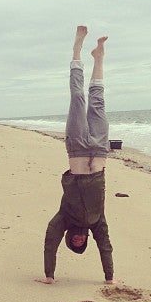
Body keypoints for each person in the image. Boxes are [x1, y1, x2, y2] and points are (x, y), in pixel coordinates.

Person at [36, 26, 116, 285]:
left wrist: (49, 275)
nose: (80, 240)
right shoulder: (97, 222)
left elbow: (50, 241)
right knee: (98, 101)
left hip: (78, 148)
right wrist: (109, 277)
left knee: (77, 98)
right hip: (101, 149)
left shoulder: (63, 218)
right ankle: (99, 57)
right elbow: (106, 246)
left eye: (75, 242)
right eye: (82, 243)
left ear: (70, 238)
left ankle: (76, 49)